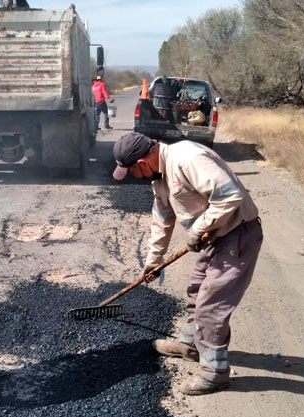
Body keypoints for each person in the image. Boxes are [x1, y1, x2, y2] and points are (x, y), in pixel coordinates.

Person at [111, 132, 263, 395]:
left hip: (237, 235)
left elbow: (230, 196)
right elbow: (162, 218)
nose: (135, 177)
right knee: (195, 291)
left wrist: (197, 230)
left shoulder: (187, 158)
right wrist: (153, 261)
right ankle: (191, 346)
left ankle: (215, 373)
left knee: (211, 306)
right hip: (215, 238)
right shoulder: (158, 178)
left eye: (132, 172)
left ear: (142, 163)